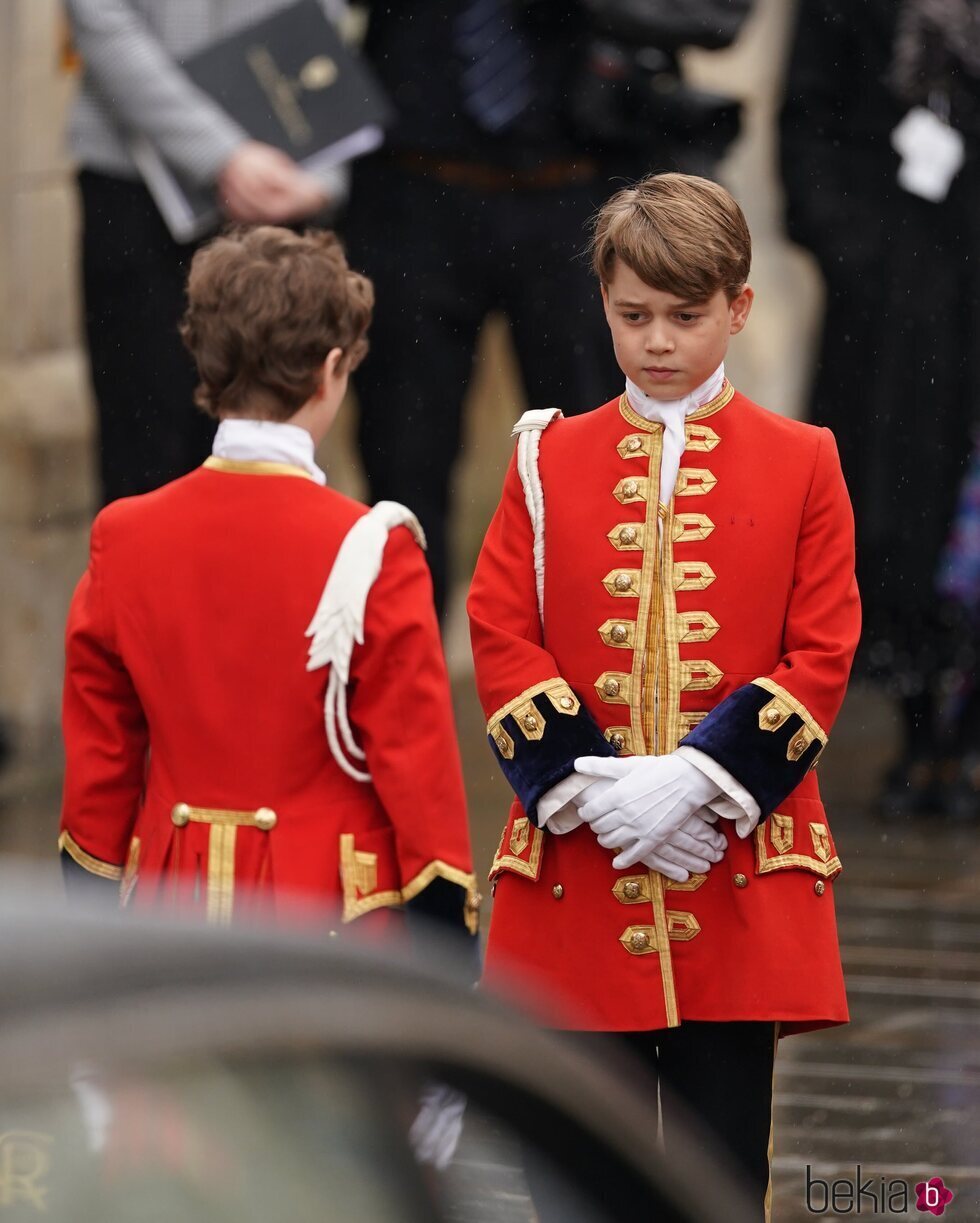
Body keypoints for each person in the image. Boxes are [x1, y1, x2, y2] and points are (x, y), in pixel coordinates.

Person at [467, 173, 860, 1218]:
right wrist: (593, 791)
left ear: (736, 307)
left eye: (684, 317)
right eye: (630, 314)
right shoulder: (544, 458)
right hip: (577, 868)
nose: (654, 341)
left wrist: (695, 780)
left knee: (717, 1173)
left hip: (734, 865)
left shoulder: (805, 460)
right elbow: (500, 628)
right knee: (570, 1174)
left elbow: (819, 649)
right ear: (601, 301)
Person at [59, 226, 479, 946]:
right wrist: (449, 950)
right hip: (328, 922)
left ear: (208, 360)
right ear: (332, 369)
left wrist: (91, 930)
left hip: (166, 913)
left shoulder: (123, 536)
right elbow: (418, 776)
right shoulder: (374, 549)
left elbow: (100, 774)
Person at [345, 0, 752, 615]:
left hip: (584, 193)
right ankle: (404, 681)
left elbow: (721, 15)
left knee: (602, 475)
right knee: (402, 466)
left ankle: (596, 685)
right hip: (412, 189)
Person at [780, 0, 980, 816]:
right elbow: (808, 121)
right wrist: (855, 250)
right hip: (896, 296)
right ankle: (922, 732)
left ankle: (964, 743)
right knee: (898, 514)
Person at [65, 0, 345, 506]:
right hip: (134, 189)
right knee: (146, 467)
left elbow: (322, 20)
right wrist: (221, 155)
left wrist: (322, 169)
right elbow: (99, 17)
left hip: (281, 185)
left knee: (268, 459)